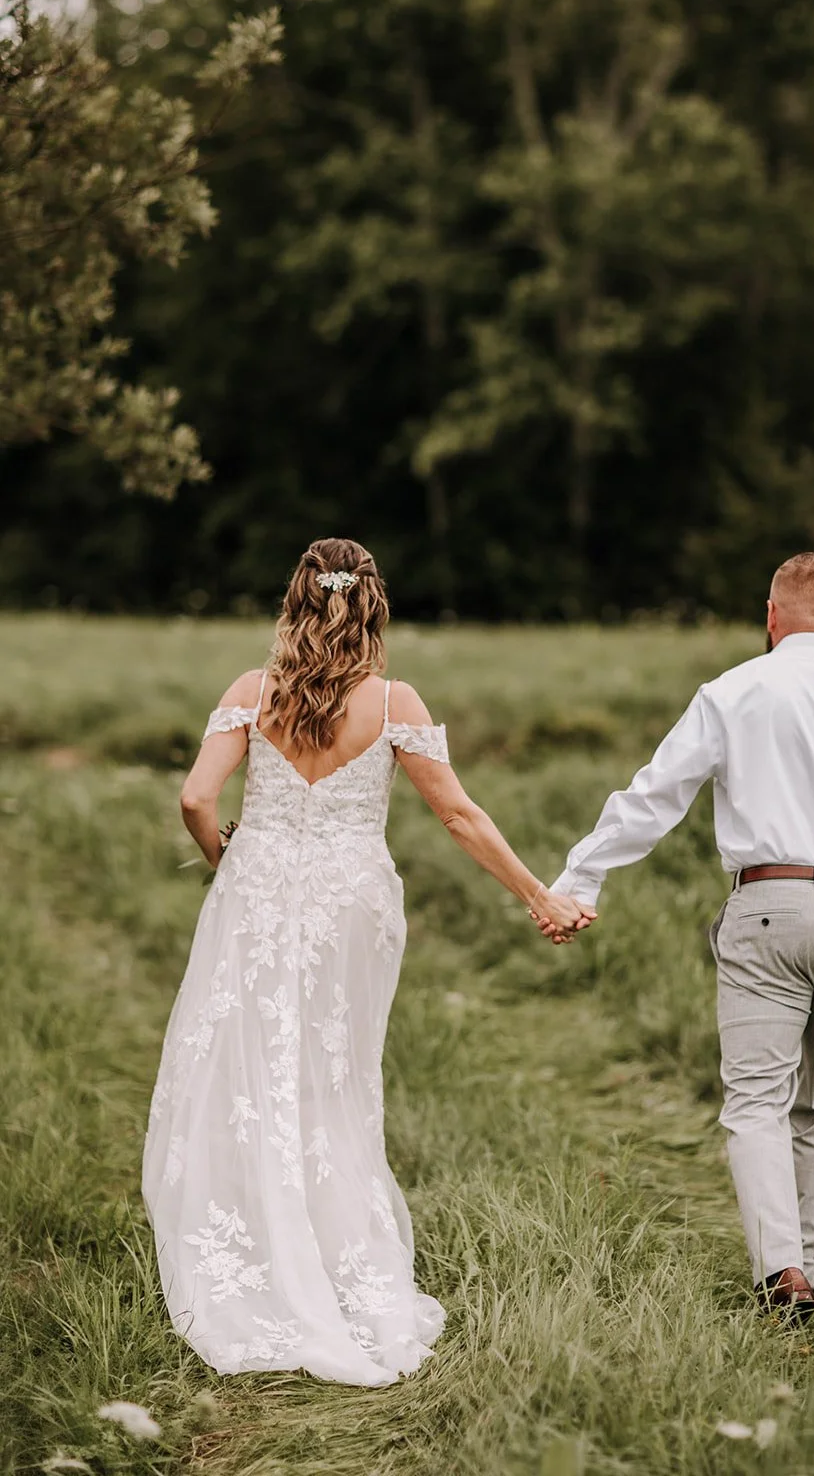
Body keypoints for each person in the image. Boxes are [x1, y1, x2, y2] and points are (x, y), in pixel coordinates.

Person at [143, 538, 594, 1385]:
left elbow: (196, 797)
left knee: (245, 1066)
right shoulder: (392, 702)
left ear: (295, 603)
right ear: (372, 606)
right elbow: (459, 816)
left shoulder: (251, 691)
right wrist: (540, 896)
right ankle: (330, 1245)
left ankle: (253, 1240)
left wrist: (224, 857)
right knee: (333, 1074)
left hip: (259, 895)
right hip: (351, 903)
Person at [549, 552, 814, 1319]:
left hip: (769, 906)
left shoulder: (734, 690)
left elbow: (653, 797)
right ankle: (810, 1263)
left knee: (755, 1100)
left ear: (770, 617)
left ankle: (782, 1272)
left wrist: (580, 879)